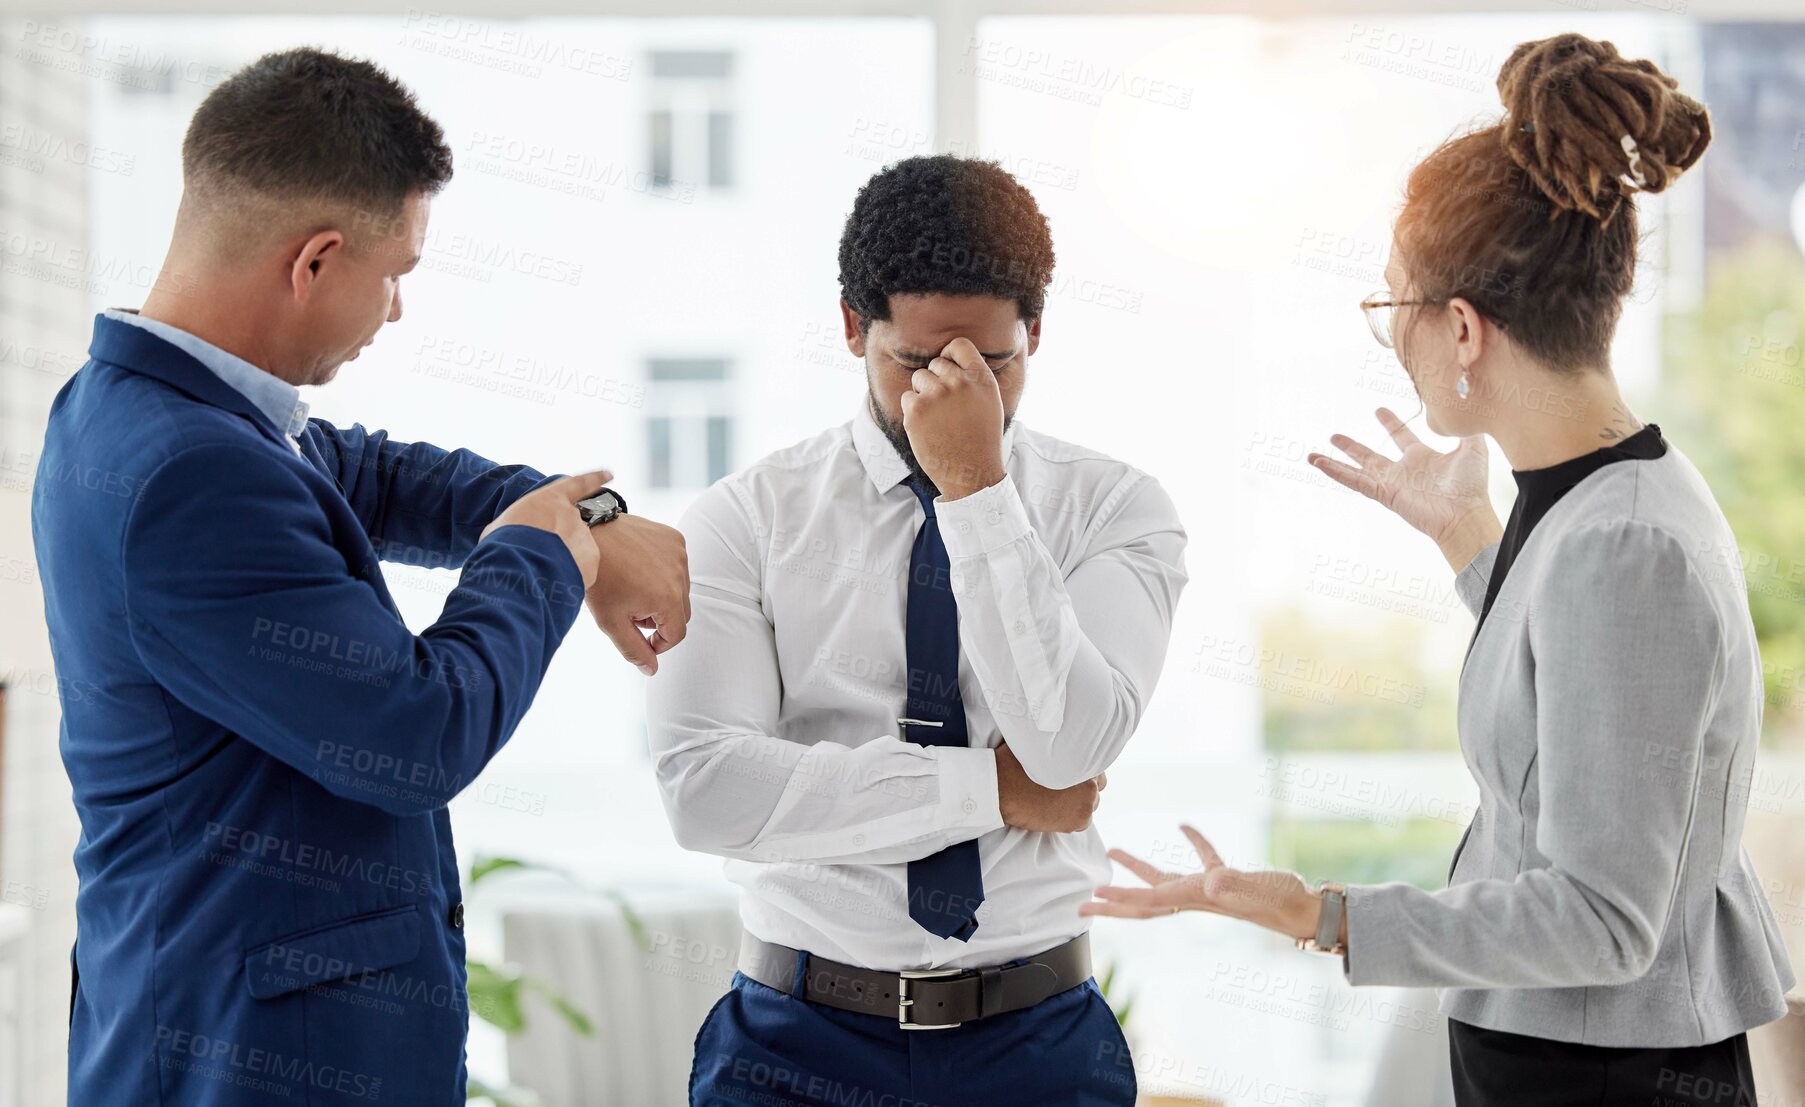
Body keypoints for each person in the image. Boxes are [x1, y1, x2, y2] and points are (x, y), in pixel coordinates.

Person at [1082, 33, 1795, 1106]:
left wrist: (1317, 913)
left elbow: (1602, 918)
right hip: (1566, 1053)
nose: (1394, 342)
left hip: (1602, 1077)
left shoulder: (1622, 542)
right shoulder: (1595, 503)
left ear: (1460, 328)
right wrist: (1469, 543)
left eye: (1392, 310)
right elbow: (1584, 714)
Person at [31, 48, 689, 1105]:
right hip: (244, 1059)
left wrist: (588, 517)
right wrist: (553, 555)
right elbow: (414, 735)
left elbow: (370, 475)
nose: (394, 314)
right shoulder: (190, 473)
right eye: (395, 277)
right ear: (316, 261)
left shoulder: (153, 409)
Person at [645, 155, 1188, 1106]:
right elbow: (707, 792)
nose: (955, 390)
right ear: (855, 327)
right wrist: (989, 787)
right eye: (917, 361)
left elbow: (1065, 748)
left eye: (993, 360)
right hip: (792, 1043)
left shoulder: (1114, 508)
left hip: (1038, 1044)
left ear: (1036, 331)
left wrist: (978, 491)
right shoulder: (744, 517)